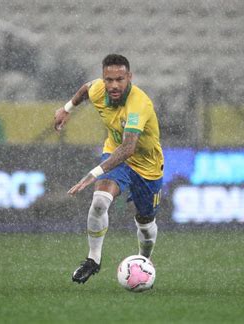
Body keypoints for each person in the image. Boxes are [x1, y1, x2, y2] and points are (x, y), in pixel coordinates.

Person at [54, 54, 164, 284]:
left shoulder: (139, 104)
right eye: (109, 79)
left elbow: (128, 148)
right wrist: (66, 109)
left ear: (129, 78)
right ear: (103, 78)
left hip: (146, 166)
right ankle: (93, 259)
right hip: (116, 156)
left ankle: (143, 260)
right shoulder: (98, 90)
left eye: (119, 79)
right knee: (100, 201)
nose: (114, 85)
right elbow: (86, 89)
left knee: (145, 224)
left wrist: (92, 174)